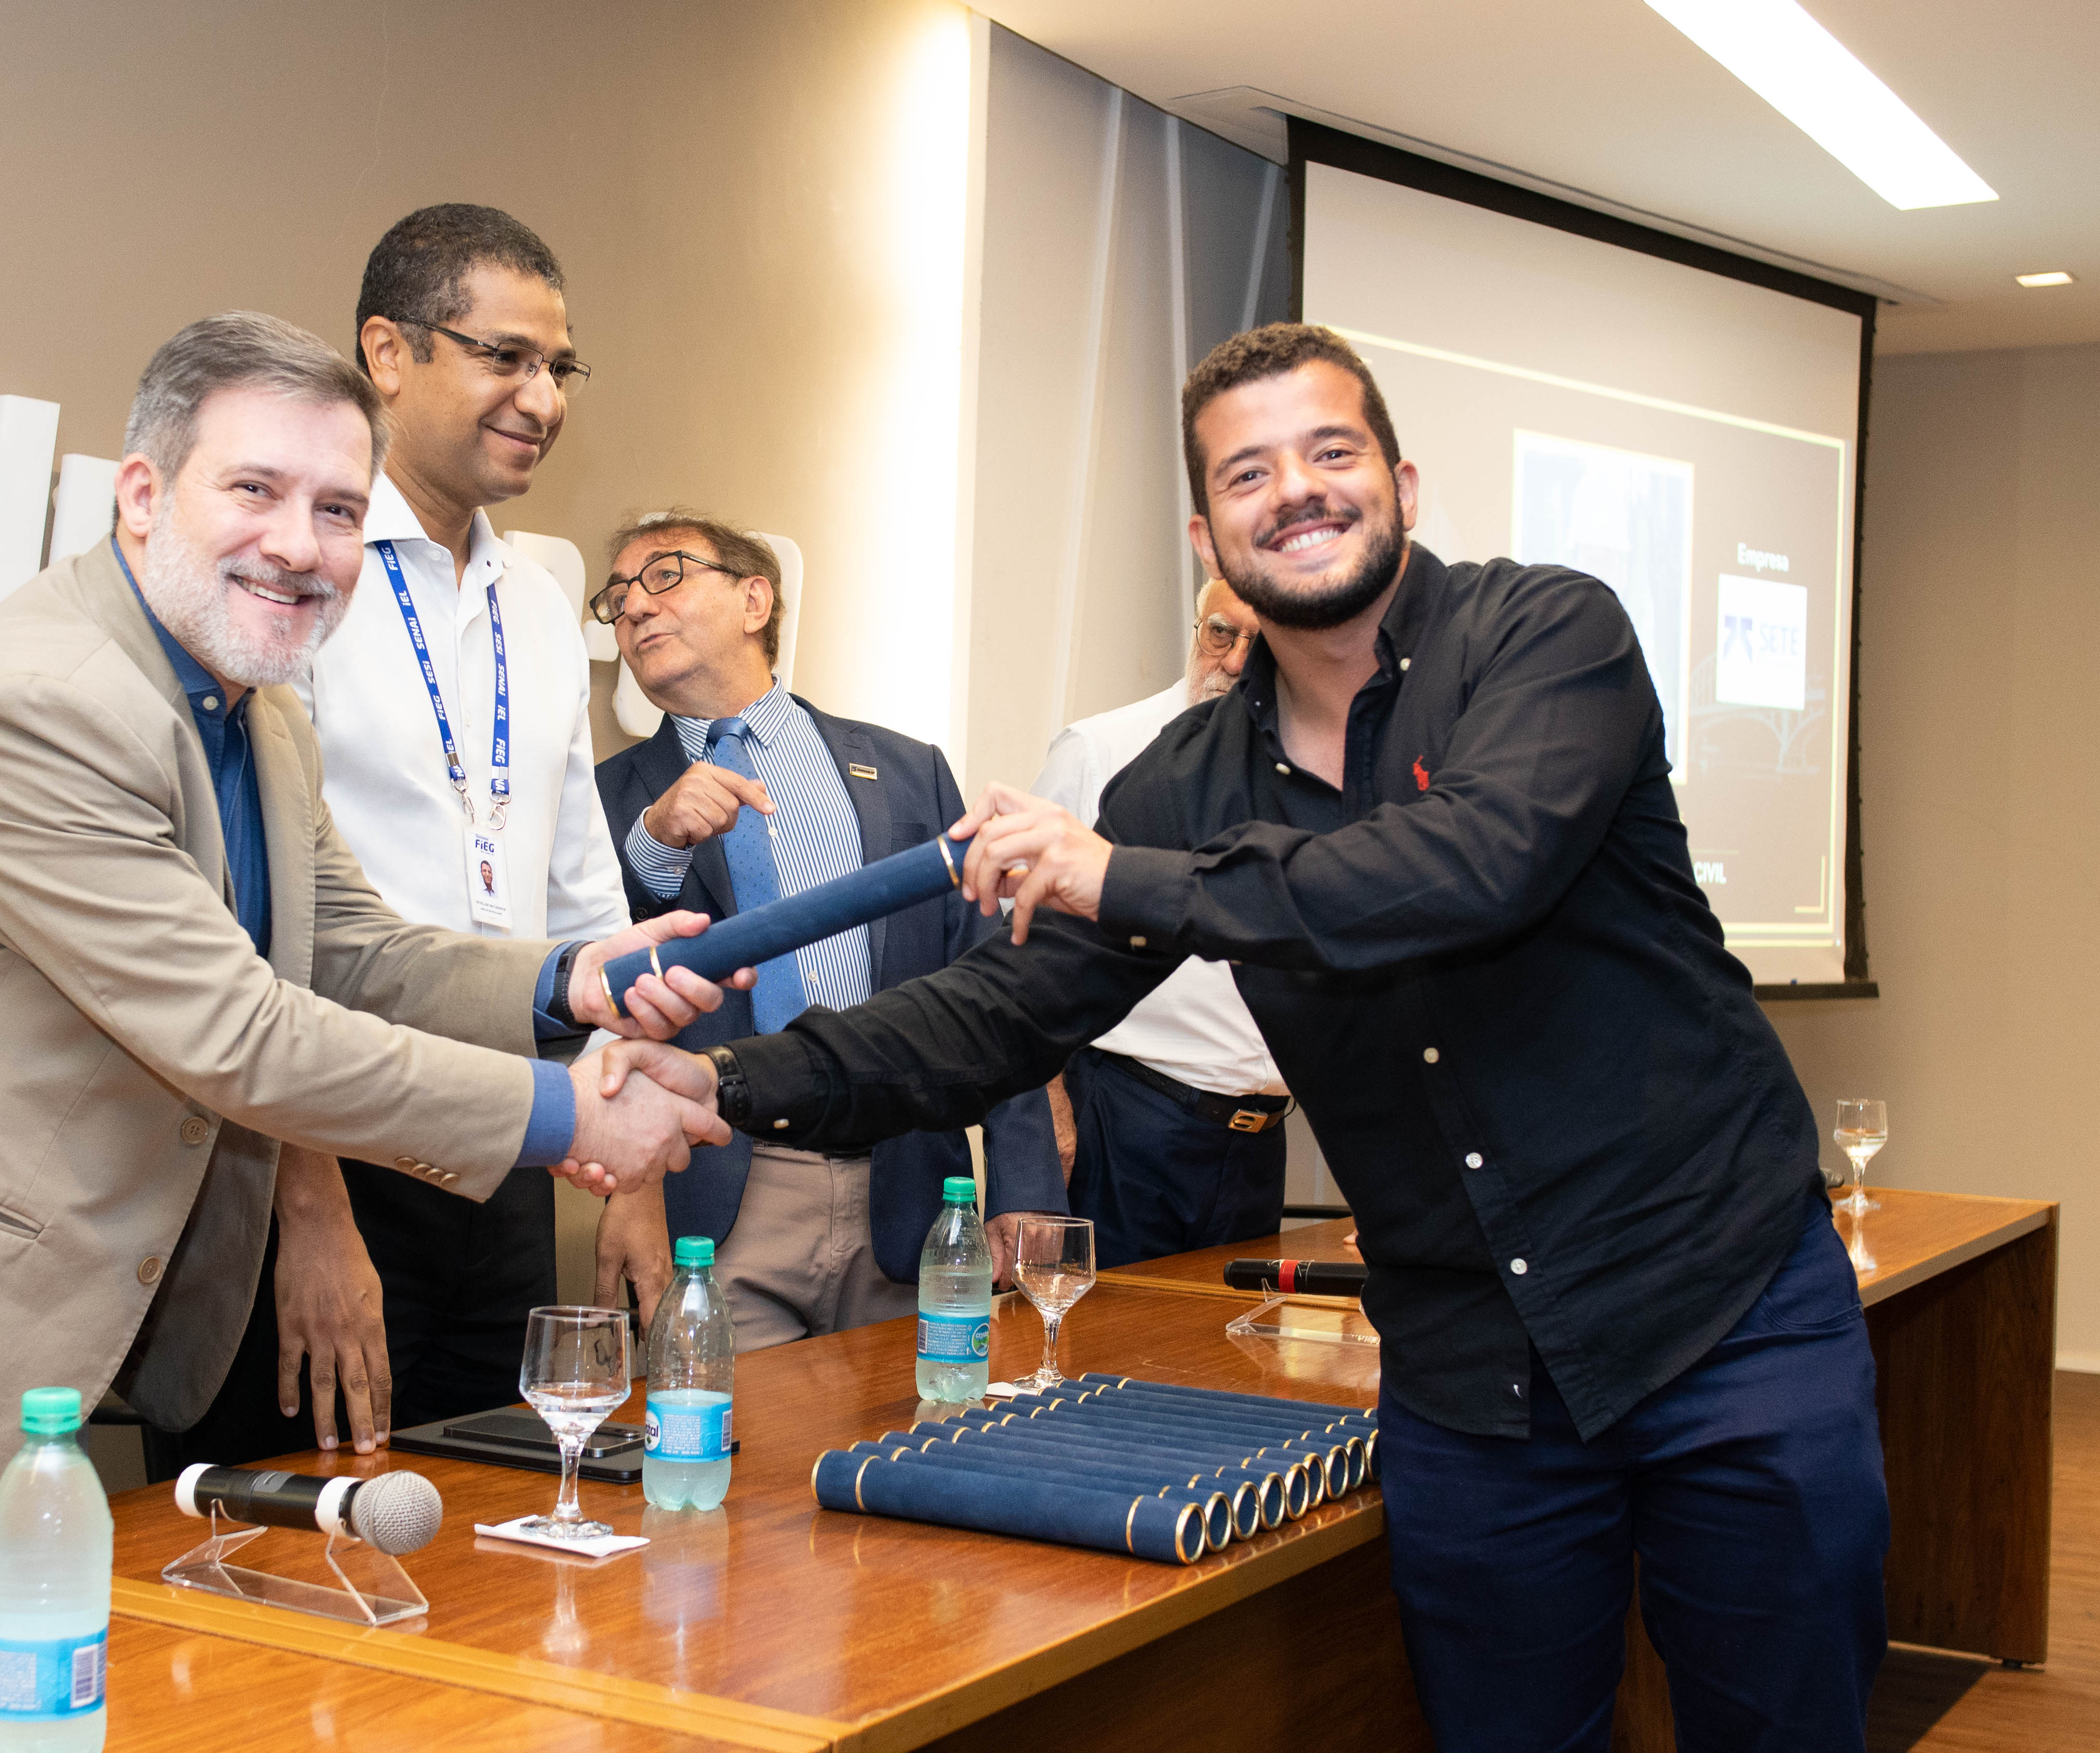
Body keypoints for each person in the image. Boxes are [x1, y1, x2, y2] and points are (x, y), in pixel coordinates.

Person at [637, 325, 1888, 1749]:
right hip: (1471, 1371)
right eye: (1248, 474)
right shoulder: (1188, 779)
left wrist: (1120, 873)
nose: (1295, 490)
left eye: (1329, 452)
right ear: (1207, 535)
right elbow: (994, 1014)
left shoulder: (1549, 633)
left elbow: (1468, 869)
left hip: (1722, 1311)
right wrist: (721, 1080)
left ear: (1402, 482)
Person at [0, 313, 739, 1600]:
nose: (298, 545)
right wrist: (570, 1112)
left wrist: (570, 979)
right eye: (254, 490)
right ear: (141, 495)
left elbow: (350, 950)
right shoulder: (45, 699)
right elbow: (242, 1035)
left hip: (4, 1391)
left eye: (338, 510)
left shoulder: (259, 712)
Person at [180, 207, 630, 1469]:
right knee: (299, 1534)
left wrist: (628, 1157)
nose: (542, 398)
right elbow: (250, 930)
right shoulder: (292, 574)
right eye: (506, 357)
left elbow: (582, 898)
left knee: (496, 1522)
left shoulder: (539, 605)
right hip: (325, 1150)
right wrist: (309, 1206)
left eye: (560, 367)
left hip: (508, 1142)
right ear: (389, 352)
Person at [585, 509, 1062, 1347]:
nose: (635, 607)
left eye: (665, 575)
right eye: (617, 597)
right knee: (728, 1433)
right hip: (722, 1203)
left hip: (909, 1190)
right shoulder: (606, 798)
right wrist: (655, 845)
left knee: (922, 1425)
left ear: (755, 601)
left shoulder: (907, 771)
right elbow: (596, 982)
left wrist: (1026, 1181)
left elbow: (990, 981)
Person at [1027, 574, 1290, 1267]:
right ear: (1197, 630)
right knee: (1106, 1332)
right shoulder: (1101, 748)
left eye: (1261, 642)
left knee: (1239, 1335)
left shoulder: (1304, 763)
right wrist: (1044, 1118)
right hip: (1129, 1120)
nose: (1236, 661)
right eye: (1221, 634)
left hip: (1259, 1139)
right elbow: (1020, 944)